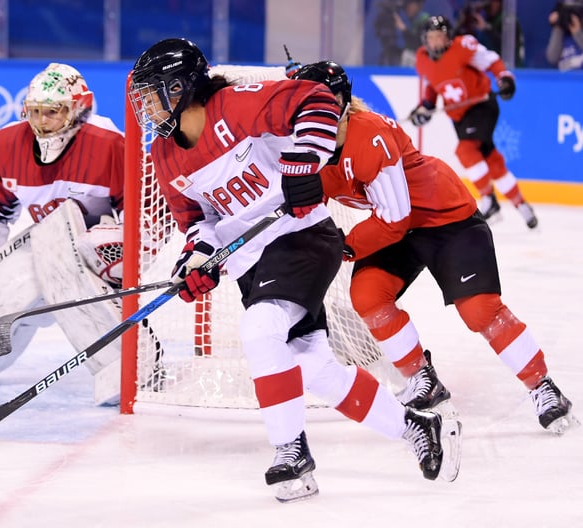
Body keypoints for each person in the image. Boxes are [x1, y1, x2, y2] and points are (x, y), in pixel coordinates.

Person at [128, 37, 461, 502]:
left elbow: (316, 99)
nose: (145, 105)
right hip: (251, 262)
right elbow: (197, 221)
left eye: (151, 93)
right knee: (314, 364)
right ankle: (416, 427)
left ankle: (291, 452)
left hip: (300, 236)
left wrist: (302, 162)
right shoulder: (165, 156)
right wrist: (196, 262)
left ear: (181, 87)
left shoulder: (234, 105)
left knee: (260, 329)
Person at [292, 60, 577, 436]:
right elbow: (308, 210)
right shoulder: (305, 147)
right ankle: (422, 379)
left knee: (479, 311)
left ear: (342, 103)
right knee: (367, 295)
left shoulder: (369, 136)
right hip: (395, 224)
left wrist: (343, 247)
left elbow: (394, 219)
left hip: (444, 217)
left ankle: (542, 385)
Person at [0, 63, 126, 404]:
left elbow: (146, 210)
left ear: (78, 109)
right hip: (50, 247)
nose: (43, 122)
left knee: (62, 262)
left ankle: (121, 367)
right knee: (12, 273)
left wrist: (123, 250)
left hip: (103, 259)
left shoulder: (111, 146)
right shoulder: (7, 146)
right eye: (36, 112)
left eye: (53, 112)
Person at [409, 15, 536, 229]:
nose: (436, 42)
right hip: (459, 117)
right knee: (491, 159)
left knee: (465, 151)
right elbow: (434, 86)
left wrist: (504, 77)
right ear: (425, 40)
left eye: (440, 36)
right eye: (431, 37)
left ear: (448, 37)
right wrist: (426, 106)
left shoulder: (462, 47)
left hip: (481, 106)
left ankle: (489, 201)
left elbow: (491, 60)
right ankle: (522, 205)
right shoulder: (422, 59)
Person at [455, 0, 525, 67]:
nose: (488, 7)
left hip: (512, 68)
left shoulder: (507, 19)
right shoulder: (488, 19)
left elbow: (506, 46)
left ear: (499, 3)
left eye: (491, 2)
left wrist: (486, 29)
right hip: (490, 66)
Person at [545, 0, 583, 71]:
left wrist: (577, 33)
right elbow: (552, 58)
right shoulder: (561, 36)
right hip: (564, 80)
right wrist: (559, 25)